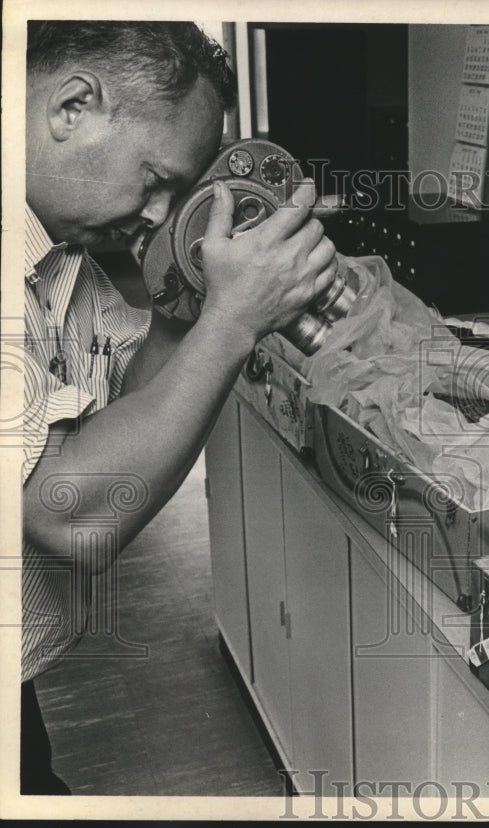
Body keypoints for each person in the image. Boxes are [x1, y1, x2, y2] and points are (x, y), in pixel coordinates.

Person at [20, 21, 338, 794]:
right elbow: (70, 511)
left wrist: (182, 305)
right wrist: (234, 322)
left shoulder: (61, 254)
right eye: (155, 178)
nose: (162, 214)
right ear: (73, 107)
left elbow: (127, 420)